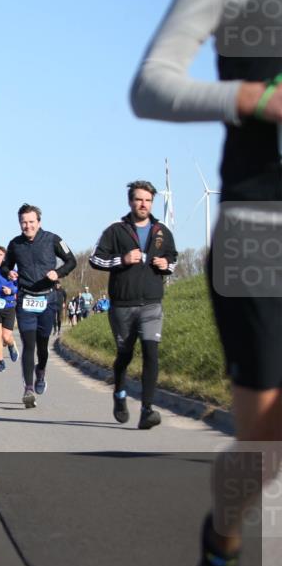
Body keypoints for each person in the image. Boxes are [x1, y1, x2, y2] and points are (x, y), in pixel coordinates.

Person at [131, 0, 282, 566]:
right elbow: (150, 86)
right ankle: (223, 541)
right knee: (265, 444)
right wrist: (250, 98)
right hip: (261, 230)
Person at [90, 180, 178, 430]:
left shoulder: (161, 231)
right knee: (125, 355)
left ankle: (147, 410)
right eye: (139, 199)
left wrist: (166, 265)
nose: (143, 204)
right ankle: (119, 393)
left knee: (151, 353)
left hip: (152, 304)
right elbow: (95, 259)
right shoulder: (116, 230)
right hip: (123, 305)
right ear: (130, 201)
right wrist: (122, 259)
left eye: (148, 200)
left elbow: (173, 259)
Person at [2, 204, 77, 408]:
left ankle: (41, 371)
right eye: (24, 222)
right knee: (29, 345)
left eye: (31, 222)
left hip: (48, 299)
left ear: (39, 222)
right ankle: (28, 389)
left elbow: (71, 261)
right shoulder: (15, 244)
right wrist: (9, 272)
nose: (28, 226)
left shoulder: (53, 239)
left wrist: (58, 273)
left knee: (42, 346)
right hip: (25, 299)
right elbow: (5, 266)